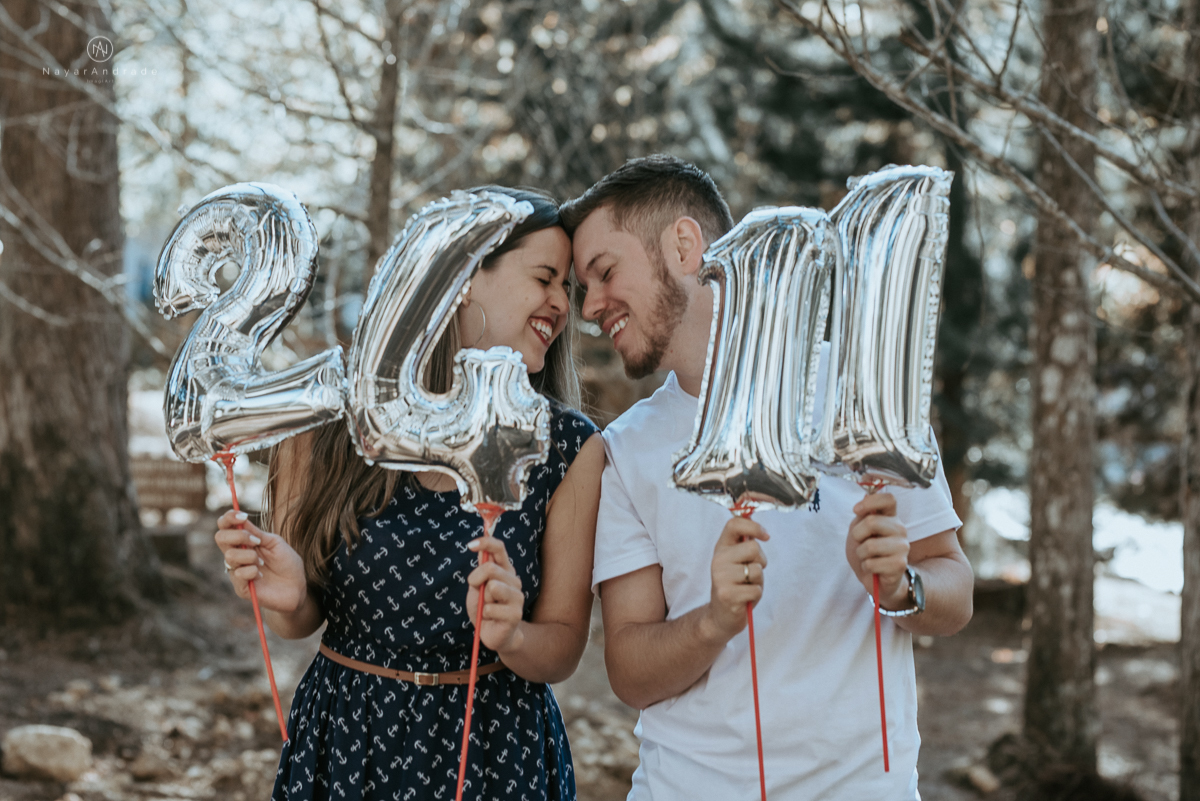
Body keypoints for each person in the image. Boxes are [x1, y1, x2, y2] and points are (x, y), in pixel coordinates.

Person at [561, 155, 974, 800]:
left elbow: (955, 588)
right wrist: (715, 619)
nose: (592, 307)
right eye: (583, 288)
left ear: (684, 244)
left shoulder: (862, 394)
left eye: (605, 273)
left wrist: (901, 585)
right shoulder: (626, 451)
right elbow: (630, 672)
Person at [215, 186, 603, 801]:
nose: (562, 302)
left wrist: (512, 636)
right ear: (466, 273)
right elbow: (302, 618)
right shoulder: (323, 426)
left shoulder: (569, 448)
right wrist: (287, 595)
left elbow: (561, 648)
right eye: (545, 277)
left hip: (496, 756)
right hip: (348, 741)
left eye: (568, 288)